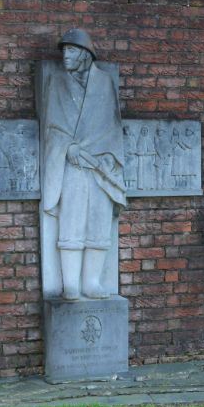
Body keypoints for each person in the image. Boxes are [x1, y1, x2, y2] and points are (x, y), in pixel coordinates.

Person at [39, 29, 127, 300]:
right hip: (73, 166)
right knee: (72, 222)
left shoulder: (104, 83)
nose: (66, 54)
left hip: (99, 166)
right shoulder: (56, 82)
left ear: (86, 54)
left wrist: (107, 156)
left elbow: (112, 126)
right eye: (64, 50)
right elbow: (51, 126)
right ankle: (71, 285)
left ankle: (92, 282)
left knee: (98, 223)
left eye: (72, 50)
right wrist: (68, 147)